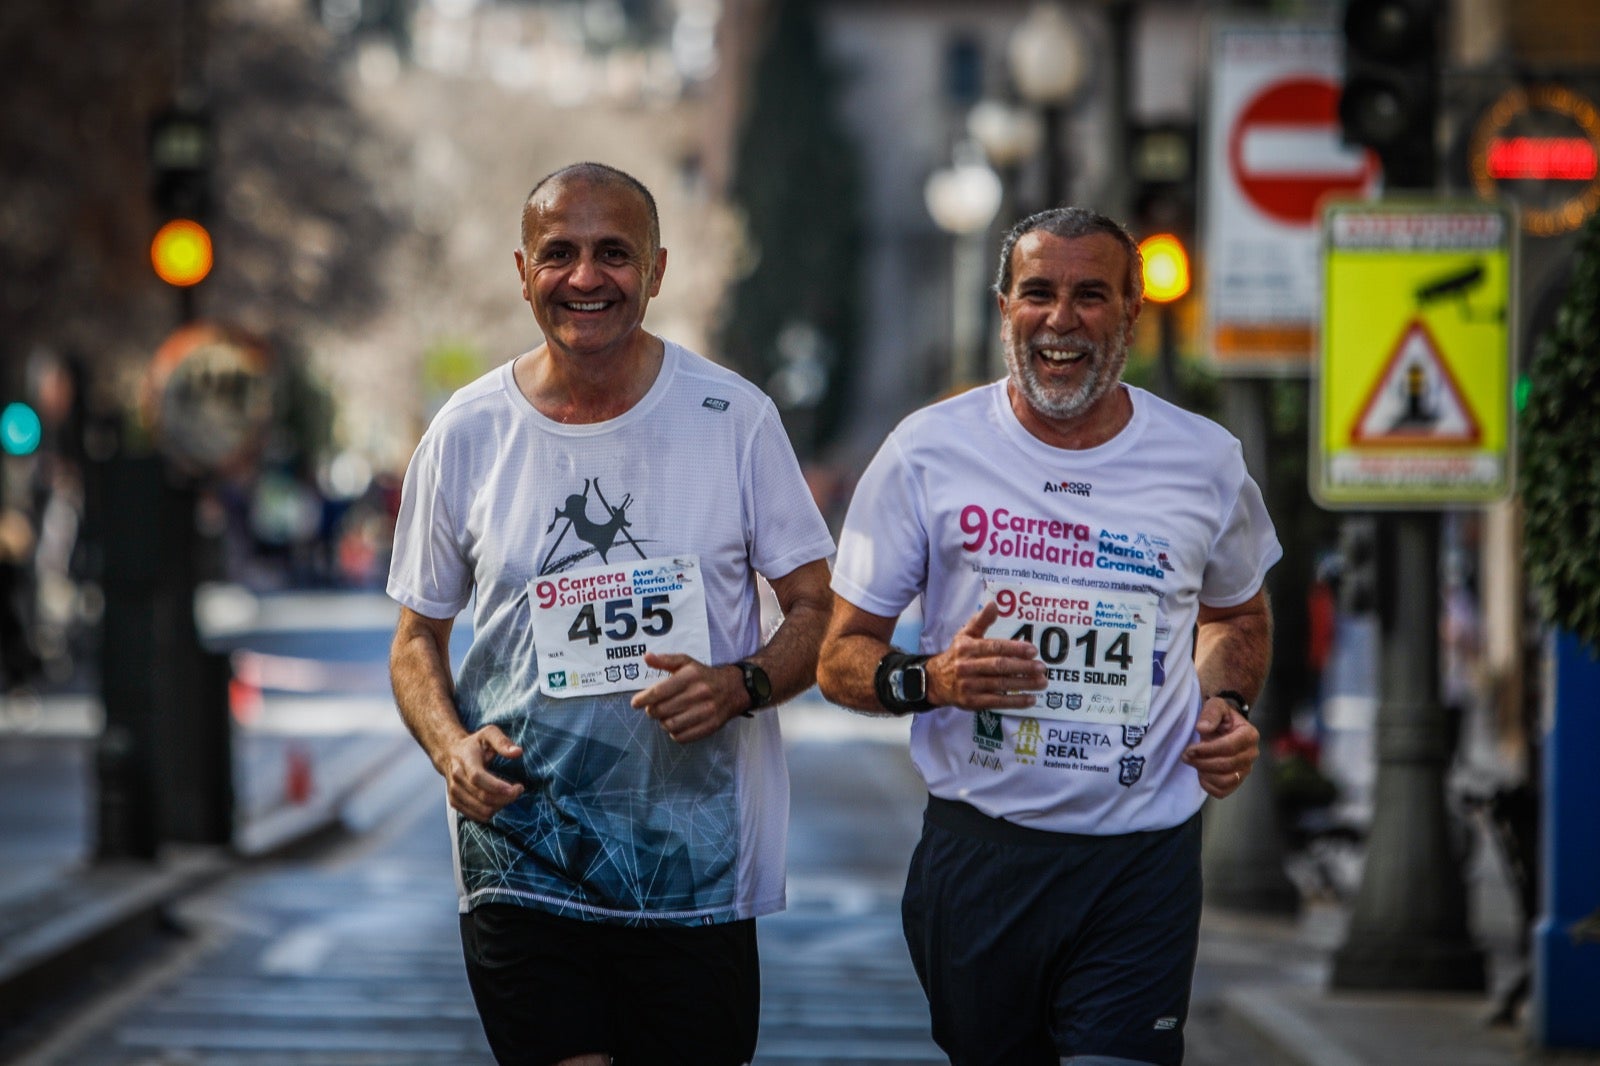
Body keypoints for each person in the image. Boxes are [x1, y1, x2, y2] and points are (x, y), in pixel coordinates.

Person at [387, 161, 835, 1066]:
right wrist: (449, 748)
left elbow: (819, 609)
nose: (585, 277)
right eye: (560, 253)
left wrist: (741, 685)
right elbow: (415, 642)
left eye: (613, 254)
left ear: (657, 270)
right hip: (523, 851)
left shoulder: (733, 419)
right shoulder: (467, 432)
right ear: (523, 272)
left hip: (690, 869)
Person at [817, 206, 1280, 1066]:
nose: (1062, 320)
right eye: (1039, 293)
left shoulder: (1205, 460)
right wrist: (935, 681)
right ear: (1004, 308)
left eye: (1091, 295)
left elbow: (1238, 615)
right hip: (982, 853)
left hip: (1141, 862)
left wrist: (1224, 702)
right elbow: (841, 657)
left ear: (1133, 312)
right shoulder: (927, 453)